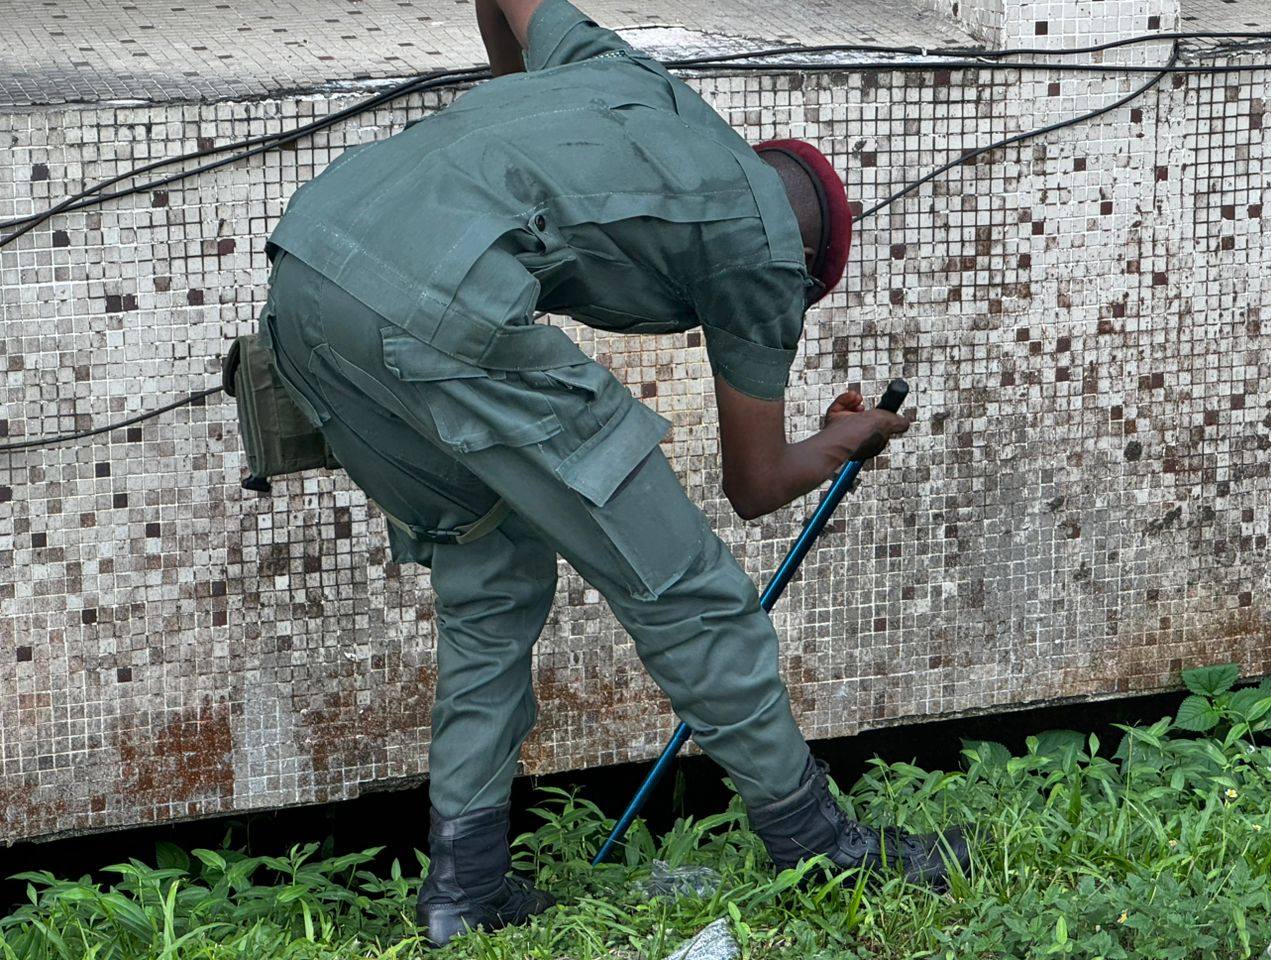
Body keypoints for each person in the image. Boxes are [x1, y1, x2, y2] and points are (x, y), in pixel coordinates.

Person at [258, 0, 969, 945]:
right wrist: (852, 437)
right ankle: (820, 847)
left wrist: (516, 130)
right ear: (805, 268)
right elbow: (753, 484)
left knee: (491, 576)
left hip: (307, 268)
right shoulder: (766, 255)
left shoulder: (628, 78)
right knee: (695, 593)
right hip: (441, 308)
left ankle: (465, 891)